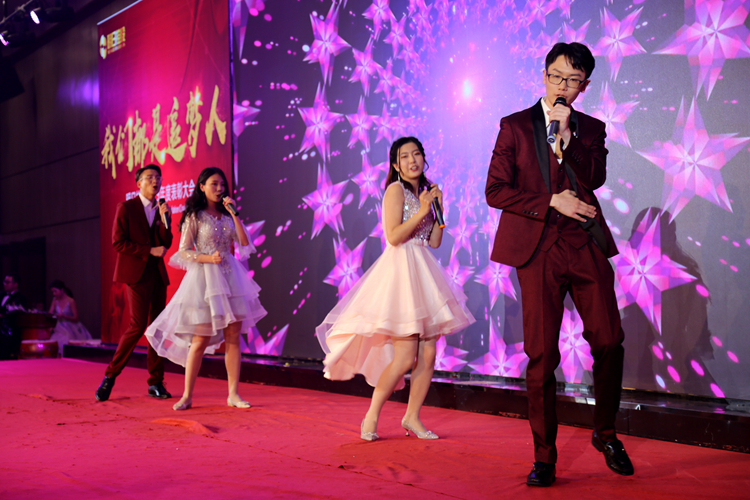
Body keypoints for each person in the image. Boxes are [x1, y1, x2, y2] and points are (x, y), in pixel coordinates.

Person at [485, 42, 633, 486]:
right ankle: (544, 456)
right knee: (542, 355)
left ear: (584, 86)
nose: (562, 86)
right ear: (544, 75)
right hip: (538, 250)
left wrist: (568, 139)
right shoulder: (514, 126)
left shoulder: (591, 129)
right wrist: (551, 201)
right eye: (556, 76)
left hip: (584, 243)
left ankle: (604, 432)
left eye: (572, 80)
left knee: (609, 340)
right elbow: (495, 191)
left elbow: (595, 178)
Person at [317, 136, 475, 441]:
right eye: (405, 156)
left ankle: (412, 417)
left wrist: (439, 210)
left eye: (417, 154)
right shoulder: (395, 190)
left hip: (423, 269)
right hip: (401, 272)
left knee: (429, 354)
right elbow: (393, 236)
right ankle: (371, 416)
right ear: (396, 164)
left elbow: (434, 242)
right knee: (404, 358)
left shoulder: (426, 193)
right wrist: (422, 211)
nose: (412, 160)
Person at [145, 167, 267, 411]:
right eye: (214, 184)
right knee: (199, 340)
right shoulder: (195, 216)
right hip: (204, 280)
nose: (219, 188)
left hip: (230, 278)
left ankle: (233, 394)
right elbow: (183, 252)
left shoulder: (227, 214)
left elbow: (244, 243)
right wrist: (206, 258)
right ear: (202, 187)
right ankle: (187, 396)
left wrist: (234, 214)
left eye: (222, 184)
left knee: (233, 337)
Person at [96, 164, 174, 402]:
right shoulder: (126, 207)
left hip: (157, 274)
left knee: (157, 328)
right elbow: (118, 242)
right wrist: (148, 250)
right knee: (138, 325)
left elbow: (166, 243)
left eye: (158, 178)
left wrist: (166, 221)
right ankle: (110, 376)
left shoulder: (161, 209)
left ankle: (156, 382)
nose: (155, 181)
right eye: (150, 177)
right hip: (136, 275)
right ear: (139, 183)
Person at [48, 280, 93, 348]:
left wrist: (64, 316)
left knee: (68, 341)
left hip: (70, 327)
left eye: (55, 291)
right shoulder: (55, 300)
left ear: (62, 290)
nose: (54, 294)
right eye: (52, 292)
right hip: (59, 327)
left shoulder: (71, 301)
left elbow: (76, 318)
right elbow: (50, 313)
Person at [0, 273, 27, 359]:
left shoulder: (21, 298)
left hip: (11, 333)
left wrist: (3, 315)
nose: (5, 284)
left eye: (7, 282)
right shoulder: (1, 295)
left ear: (15, 284)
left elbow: (18, 315)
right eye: (4, 282)